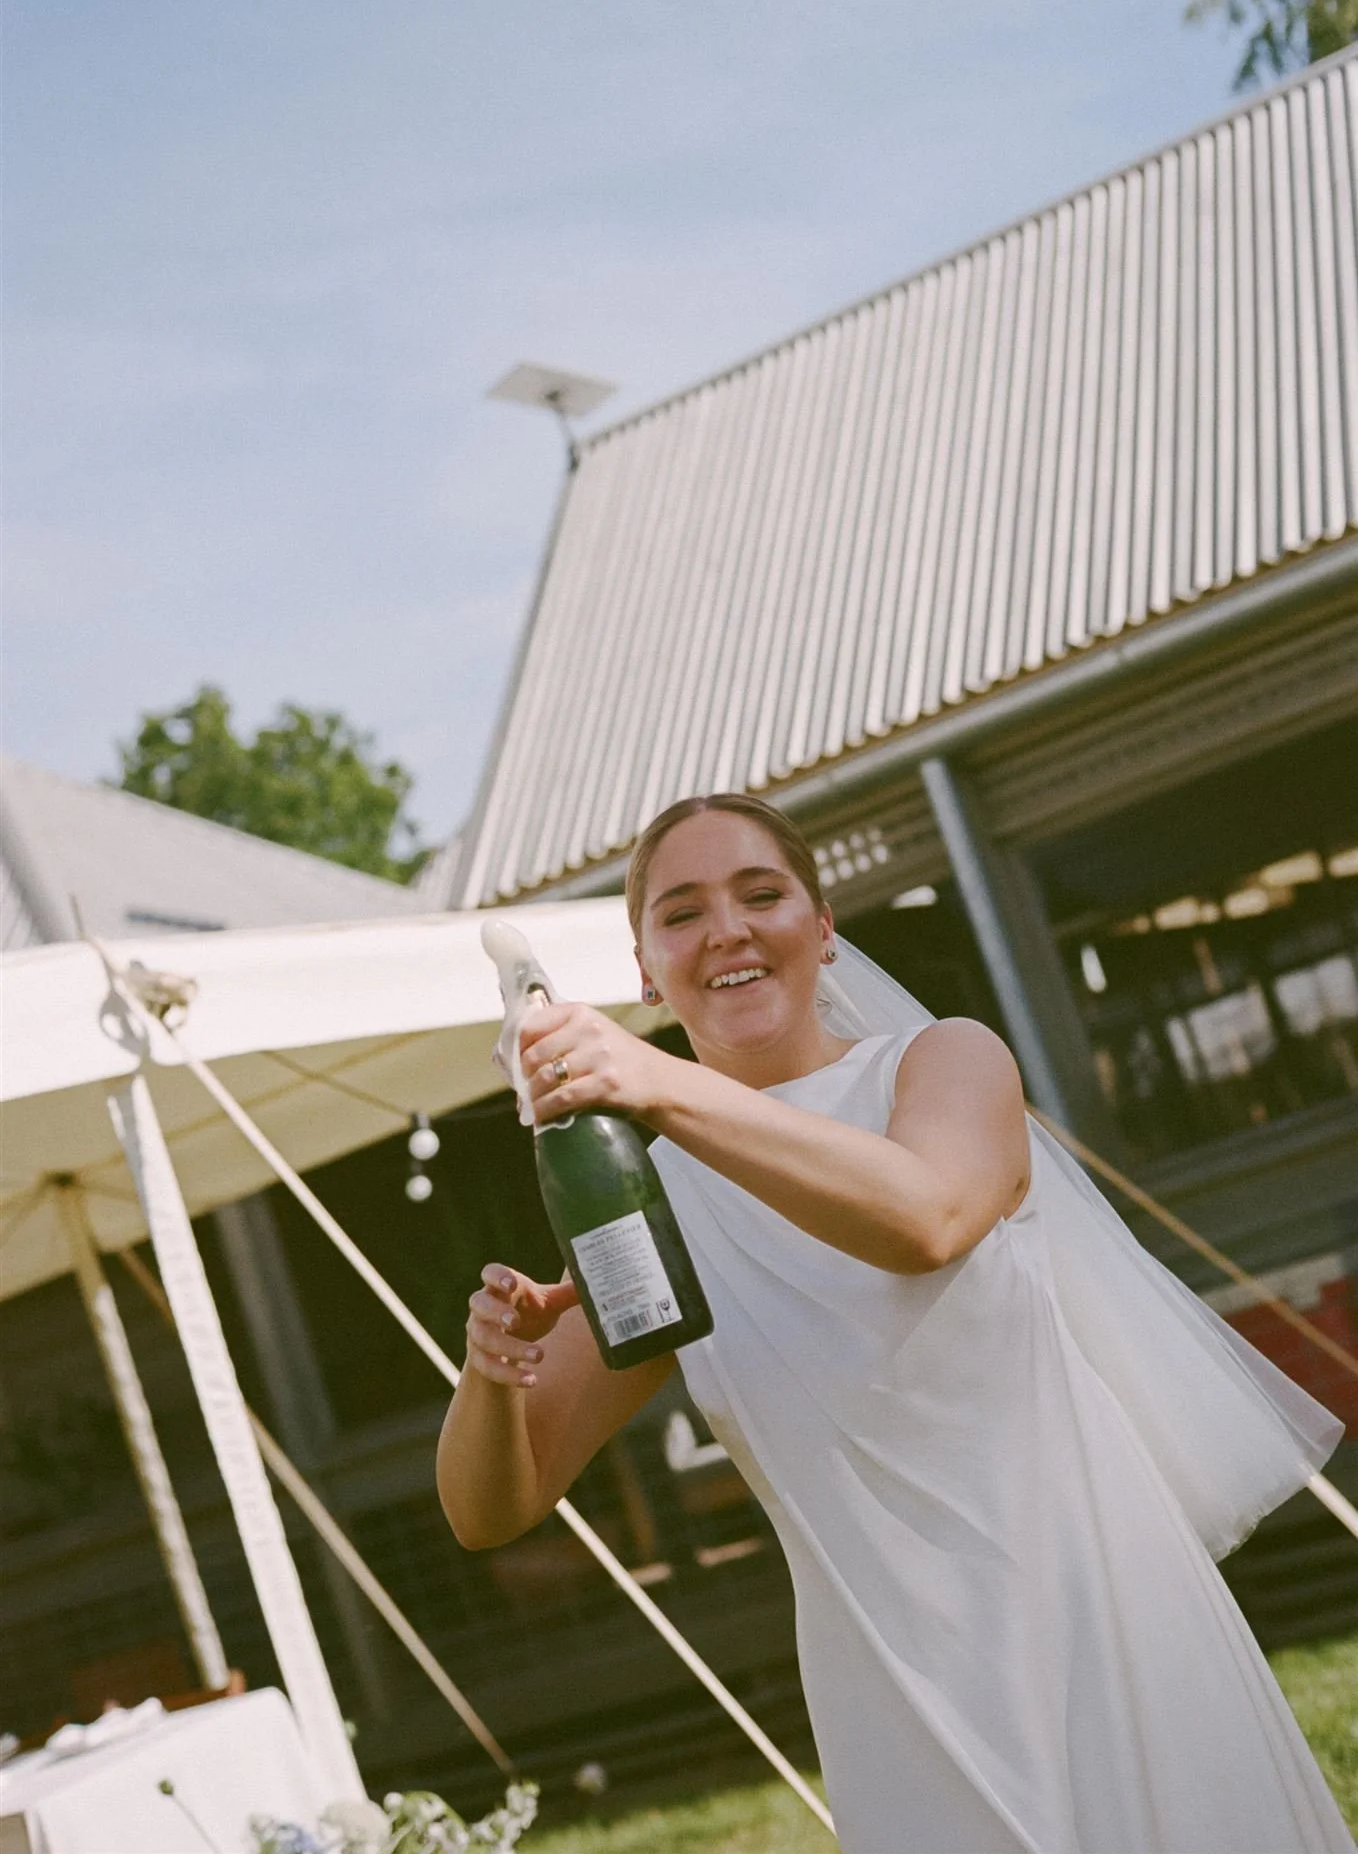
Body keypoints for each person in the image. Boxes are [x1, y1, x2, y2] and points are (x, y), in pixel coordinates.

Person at [437, 794, 1351, 1853]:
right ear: (645, 970)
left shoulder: (941, 1063)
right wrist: (490, 1374)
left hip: (1101, 1621)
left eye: (761, 893)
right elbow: (488, 1508)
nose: (726, 927)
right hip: (892, 1681)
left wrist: (657, 1083)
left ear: (821, 928)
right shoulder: (655, 1203)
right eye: (680, 912)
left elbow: (926, 1215)